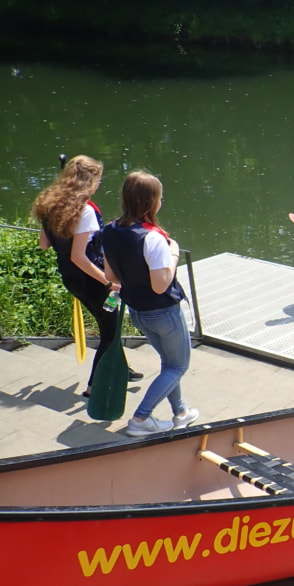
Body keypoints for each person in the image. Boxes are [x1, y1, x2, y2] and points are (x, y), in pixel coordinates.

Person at [31, 155, 142, 398]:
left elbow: (44, 244)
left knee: (109, 324)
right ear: (88, 181)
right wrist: (110, 282)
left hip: (71, 280)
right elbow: (79, 257)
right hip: (94, 282)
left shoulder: (52, 205)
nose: (98, 184)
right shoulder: (85, 211)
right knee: (110, 332)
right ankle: (93, 387)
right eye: (98, 179)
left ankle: (122, 370)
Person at [102, 170, 199, 436]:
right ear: (151, 202)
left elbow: (111, 276)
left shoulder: (109, 230)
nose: (161, 202)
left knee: (169, 365)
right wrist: (173, 254)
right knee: (178, 366)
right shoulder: (153, 239)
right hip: (164, 313)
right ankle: (141, 419)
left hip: (138, 311)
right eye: (160, 197)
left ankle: (180, 413)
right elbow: (160, 285)